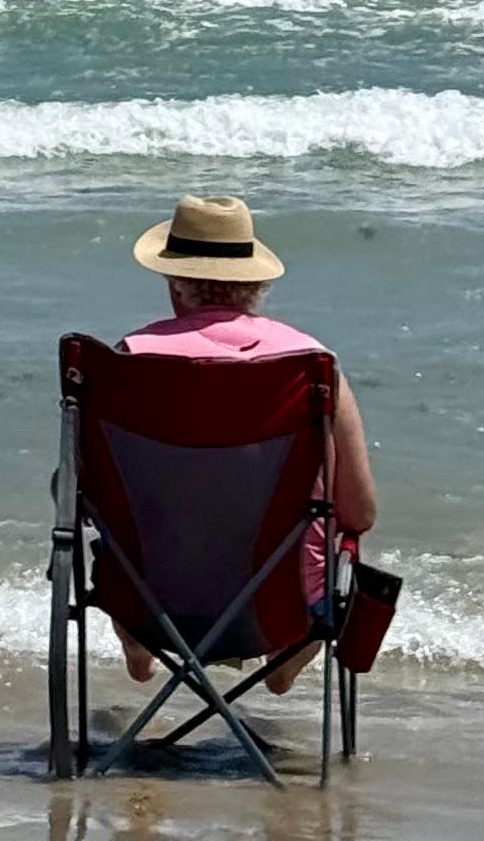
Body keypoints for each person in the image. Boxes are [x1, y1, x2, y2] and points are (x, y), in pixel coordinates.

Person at [111, 192, 378, 695]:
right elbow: (359, 512)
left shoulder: (130, 362)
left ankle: (139, 647)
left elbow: (85, 493)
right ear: (256, 283)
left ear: (173, 285)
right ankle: (283, 662)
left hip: (148, 598)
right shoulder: (313, 366)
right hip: (281, 607)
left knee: (119, 536)